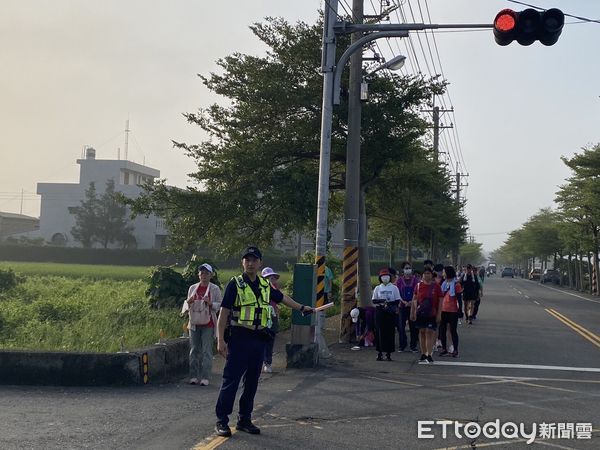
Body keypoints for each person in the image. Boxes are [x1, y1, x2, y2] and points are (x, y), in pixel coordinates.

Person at [215, 246, 313, 438]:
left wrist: (301, 307)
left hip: (259, 339)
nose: (250, 263)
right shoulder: (235, 284)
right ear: (243, 262)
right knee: (231, 381)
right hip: (240, 338)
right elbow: (224, 313)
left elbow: (282, 298)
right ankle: (222, 421)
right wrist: (220, 340)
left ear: (260, 263)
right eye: (247, 259)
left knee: (252, 382)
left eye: (254, 260)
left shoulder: (265, 285)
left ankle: (244, 419)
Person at [181, 263, 222, 386]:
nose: (204, 276)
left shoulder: (214, 289)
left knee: (206, 351)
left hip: (208, 323)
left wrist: (210, 303)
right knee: (194, 350)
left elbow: (220, 305)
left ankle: (205, 376)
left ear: (211, 275)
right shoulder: (193, 288)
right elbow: (186, 306)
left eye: (206, 273)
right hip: (194, 322)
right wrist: (188, 302)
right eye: (202, 273)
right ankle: (193, 375)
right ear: (199, 275)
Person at [411, 267, 443, 364]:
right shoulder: (418, 286)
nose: (426, 275)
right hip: (420, 313)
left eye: (428, 273)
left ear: (431, 275)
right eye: (425, 273)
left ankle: (429, 354)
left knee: (429, 332)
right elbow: (414, 299)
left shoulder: (436, 286)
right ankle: (423, 353)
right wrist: (412, 312)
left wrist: (439, 314)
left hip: (432, 313)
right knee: (421, 332)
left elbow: (441, 301)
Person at [372, 268, 401, 361]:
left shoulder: (394, 287)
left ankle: (388, 353)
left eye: (387, 276)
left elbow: (397, 300)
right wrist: (382, 301)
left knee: (389, 332)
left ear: (390, 277)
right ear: (380, 278)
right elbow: (374, 300)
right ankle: (379, 353)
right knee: (379, 332)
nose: (385, 278)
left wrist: (388, 304)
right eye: (383, 276)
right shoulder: (377, 288)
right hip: (380, 311)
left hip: (390, 312)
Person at [260, 267, 280, 374]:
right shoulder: (259, 288)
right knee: (260, 340)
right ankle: (261, 361)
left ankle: (268, 362)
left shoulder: (275, 288)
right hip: (262, 316)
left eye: (272, 278)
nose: (271, 280)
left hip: (272, 316)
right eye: (268, 278)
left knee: (270, 340)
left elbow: (280, 300)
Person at [439, 266, 462, 358]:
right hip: (443, 310)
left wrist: (460, 311)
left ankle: (455, 350)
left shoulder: (456, 284)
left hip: (453, 311)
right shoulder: (443, 284)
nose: (443, 274)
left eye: (444, 272)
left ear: (448, 273)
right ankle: (444, 349)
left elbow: (459, 299)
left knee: (453, 331)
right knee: (442, 330)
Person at [396, 261, 419, 353]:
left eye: (409, 268)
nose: (408, 270)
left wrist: (411, 302)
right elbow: (397, 292)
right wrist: (403, 301)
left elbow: (417, 292)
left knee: (413, 326)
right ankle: (402, 345)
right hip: (402, 306)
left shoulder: (415, 280)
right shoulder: (399, 281)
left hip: (412, 306)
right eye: (406, 268)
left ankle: (413, 345)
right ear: (403, 270)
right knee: (401, 326)